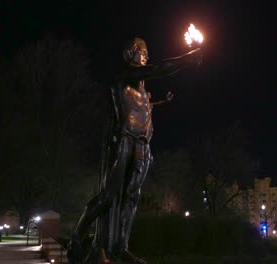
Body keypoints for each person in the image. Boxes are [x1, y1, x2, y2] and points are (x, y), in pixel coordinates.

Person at [68, 38, 202, 264]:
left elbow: (145, 106)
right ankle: (76, 236)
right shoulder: (125, 76)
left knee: (132, 197)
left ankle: (121, 247)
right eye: (142, 51)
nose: (146, 55)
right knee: (108, 196)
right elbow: (160, 69)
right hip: (125, 140)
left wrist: (160, 103)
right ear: (130, 53)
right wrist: (186, 59)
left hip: (142, 144)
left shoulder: (143, 91)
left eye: (147, 51)